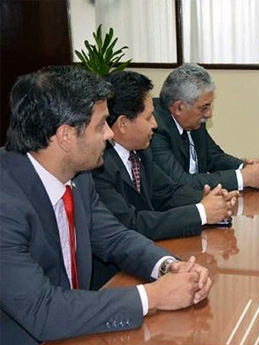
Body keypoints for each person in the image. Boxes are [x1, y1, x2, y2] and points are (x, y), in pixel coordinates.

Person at [0, 65, 212, 345]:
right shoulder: (5, 203)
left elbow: (114, 237)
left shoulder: (78, 177)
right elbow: (43, 310)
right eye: (100, 125)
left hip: (78, 329)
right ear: (65, 136)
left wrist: (168, 267)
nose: (110, 134)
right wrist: (155, 296)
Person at [90, 70, 238, 288]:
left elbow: (168, 191)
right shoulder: (97, 165)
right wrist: (201, 212)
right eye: (149, 117)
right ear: (122, 124)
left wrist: (211, 200)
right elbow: (132, 224)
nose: (155, 125)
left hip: (147, 260)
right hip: (114, 278)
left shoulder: (139, 150)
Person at [151, 63, 259, 192]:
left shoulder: (193, 121)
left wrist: (245, 167)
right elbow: (179, 182)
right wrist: (243, 177)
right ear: (179, 107)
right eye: (204, 107)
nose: (209, 114)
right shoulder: (155, 127)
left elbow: (213, 157)